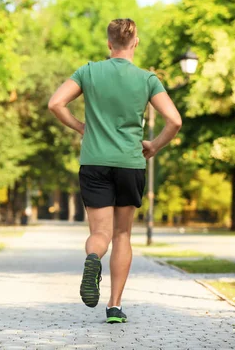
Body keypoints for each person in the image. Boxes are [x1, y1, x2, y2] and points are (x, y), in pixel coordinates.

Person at [47, 18, 182, 323]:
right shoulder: (147, 79)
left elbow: (56, 103)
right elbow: (174, 121)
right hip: (129, 163)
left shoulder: (89, 71)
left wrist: (83, 127)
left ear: (109, 44)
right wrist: (155, 146)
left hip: (94, 162)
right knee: (122, 234)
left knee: (100, 233)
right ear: (135, 43)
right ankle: (115, 307)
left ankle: (93, 259)